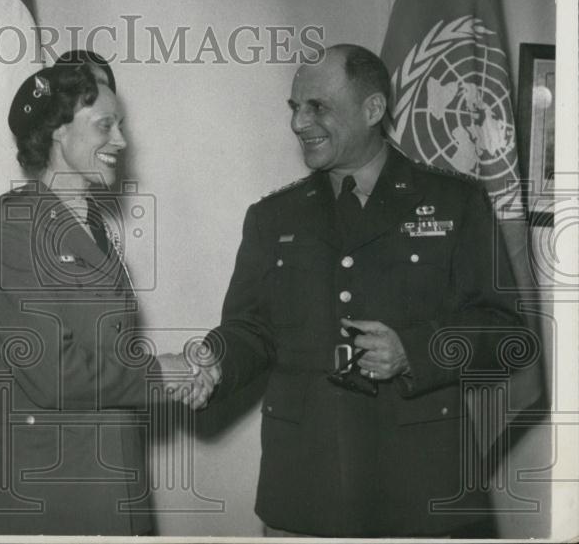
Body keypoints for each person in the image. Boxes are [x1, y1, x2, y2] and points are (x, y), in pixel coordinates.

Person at [191, 44, 521, 537]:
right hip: (306, 485)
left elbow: (507, 334)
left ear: (372, 109)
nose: (298, 123)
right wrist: (214, 360)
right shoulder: (272, 217)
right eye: (295, 107)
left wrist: (414, 351)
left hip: (420, 487)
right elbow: (251, 329)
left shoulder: (456, 202)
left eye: (316, 107)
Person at [0, 52, 190, 535]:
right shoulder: (6, 225)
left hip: (118, 476)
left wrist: (184, 373)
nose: (122, 141)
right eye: (105, 126)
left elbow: (109, 354)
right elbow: (52, 374)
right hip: (53, 490)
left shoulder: (95, 228)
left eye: (120, 125)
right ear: (57, 131)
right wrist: (160, 374)